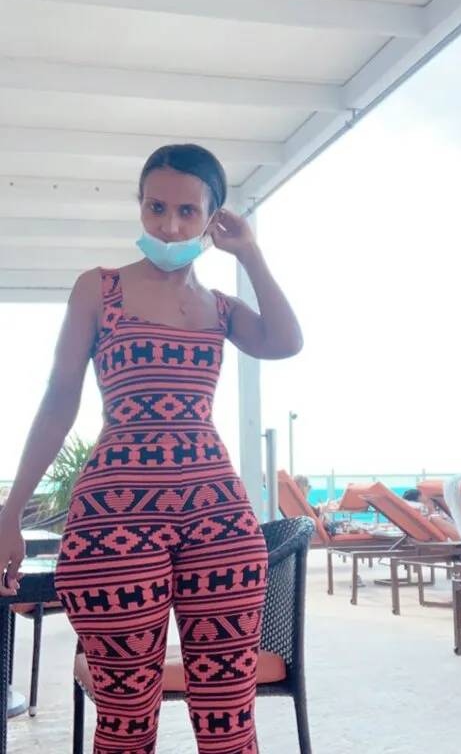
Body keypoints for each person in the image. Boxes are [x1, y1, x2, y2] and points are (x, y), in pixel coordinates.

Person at [0, 143, 303, 754]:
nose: (169, 225)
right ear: (140, 205)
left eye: (188, 211)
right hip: (113, 522)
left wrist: (250, 253)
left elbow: (285, 341)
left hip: (219, 520)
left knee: (231, 723)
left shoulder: (220, 308)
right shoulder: (99, 289)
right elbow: (59, 399)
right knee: (125, 723)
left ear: (212, 219)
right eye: (156, 207)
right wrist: (11, 512)